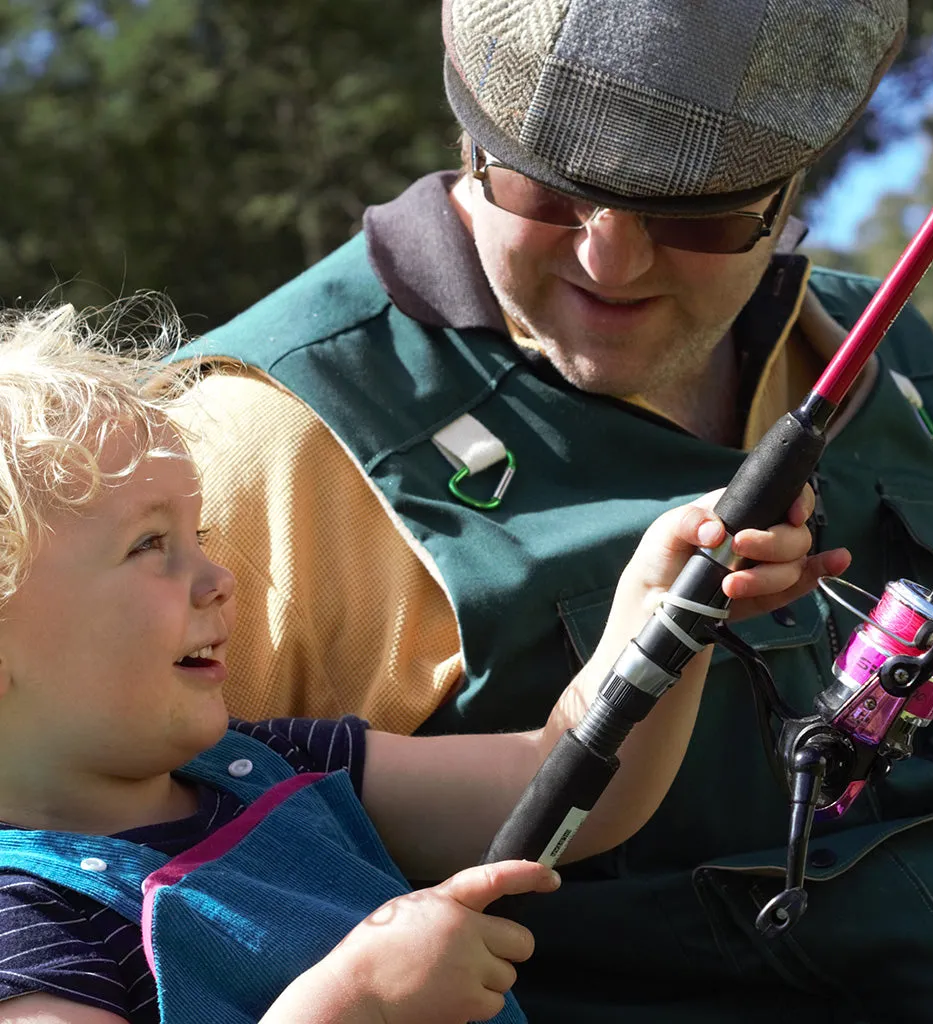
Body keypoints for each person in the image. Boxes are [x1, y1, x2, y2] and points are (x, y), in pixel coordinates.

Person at [169, 1, 933, 1021]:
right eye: (548, 187)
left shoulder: (901, 368)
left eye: (694, 211)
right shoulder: (251, 443)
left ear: (789, 183)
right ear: (468, 136)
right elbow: (104, 894)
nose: (608, 262)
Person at [0, 303, 818, 1024]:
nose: (219, 581)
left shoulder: (273, 764)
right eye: (151, 546)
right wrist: (360, 1005)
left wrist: (662, 617)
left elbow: (556, 785)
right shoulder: (26, 932)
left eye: (200, 539)